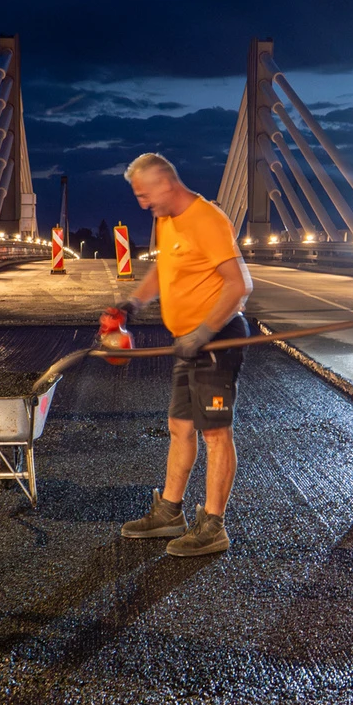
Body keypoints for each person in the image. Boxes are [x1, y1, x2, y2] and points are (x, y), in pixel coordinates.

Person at [106, 153, 252, 556]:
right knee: (178, 425)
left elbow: (239, 285)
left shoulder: (208, 220)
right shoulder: (166, 219)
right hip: (188, 342)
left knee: (215, 433)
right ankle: (170, 512)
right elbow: (163, 269)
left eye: (144, 195)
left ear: (165, 185)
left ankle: (213, 525)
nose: (142, 204)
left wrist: (205, 331)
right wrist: (132, 305)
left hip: (217, 341)